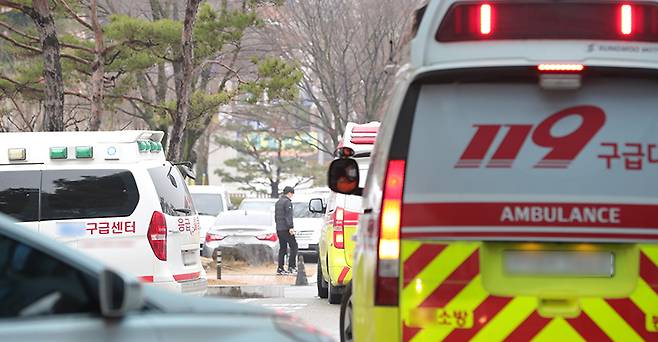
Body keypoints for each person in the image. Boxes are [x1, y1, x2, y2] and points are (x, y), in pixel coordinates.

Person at [274, 186, 298, 275]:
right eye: (292, 194)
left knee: (283, 248)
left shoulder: (278, 202)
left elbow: (276, 216)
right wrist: (290, 227)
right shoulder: (287, 202)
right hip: (286, 228)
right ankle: (291, 267)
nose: (292, 196)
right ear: (289, 193)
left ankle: (280, 268)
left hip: (279, 228)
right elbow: (288, 216)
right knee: (294, 246)